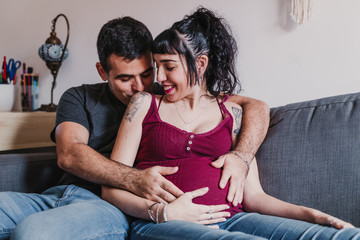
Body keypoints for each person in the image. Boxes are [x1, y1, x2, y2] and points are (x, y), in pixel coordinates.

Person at [0, 16, 270, 240]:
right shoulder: (78, 96)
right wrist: (134, 178)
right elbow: (70, 154)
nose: (139, 87)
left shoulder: (165, 95)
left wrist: (242, 156)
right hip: (58, 195)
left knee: (32, 234)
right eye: (125, 79)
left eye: (146, 74)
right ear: (102, 72)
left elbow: (255, 107)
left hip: (105, 205)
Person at [102, 7, 360, 240]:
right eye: (157, 67)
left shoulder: (232, 114)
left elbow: (256, 198)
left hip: (235, 219)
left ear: (200, 64)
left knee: (345, 237)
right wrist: (163, 212)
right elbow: (111, 188)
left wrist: (313, 217)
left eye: (169, 67)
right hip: (161, 225)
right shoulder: (144, 104)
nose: (160, 77)